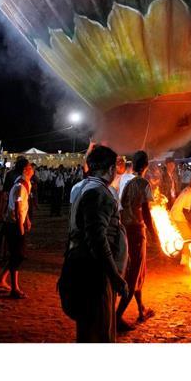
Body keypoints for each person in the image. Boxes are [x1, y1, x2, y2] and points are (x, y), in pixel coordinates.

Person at [62, 145, 129, 342]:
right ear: (110, 169)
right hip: (94, 272)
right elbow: (97, 240)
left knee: (89, 330)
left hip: (85, 266)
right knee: (98, 332)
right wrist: (115, 276)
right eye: (115, 169)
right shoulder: (98, 193)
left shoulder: (82, 187)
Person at [116, 151, 157, 331]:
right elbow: (146, 211)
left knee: (137, 270)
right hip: (136, 231)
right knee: (133, 274)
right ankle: (117, 316)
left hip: (126, 229)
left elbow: (121, 208)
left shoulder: (129, 183)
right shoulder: (143, 183)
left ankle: (141, 309)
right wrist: (154, 233)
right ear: (146, 165)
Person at [0, 158, 34, 298]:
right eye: (30, 168)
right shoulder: (19, 186)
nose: (32, 170)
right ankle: (14, 289)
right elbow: (17, 208)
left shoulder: (26, 184)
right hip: (13, 224)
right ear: (25, 170)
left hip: (16, 223)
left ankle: (2, 280)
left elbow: (24, 204)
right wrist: (21, 227)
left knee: (17, 255)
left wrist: (27, 219)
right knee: (18, 255)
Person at [170, 176, 191, 241]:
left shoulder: (188, 189)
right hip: (178, 217)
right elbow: (185, 211)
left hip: (175, 214)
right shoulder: (189, 194)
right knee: (188, 236)